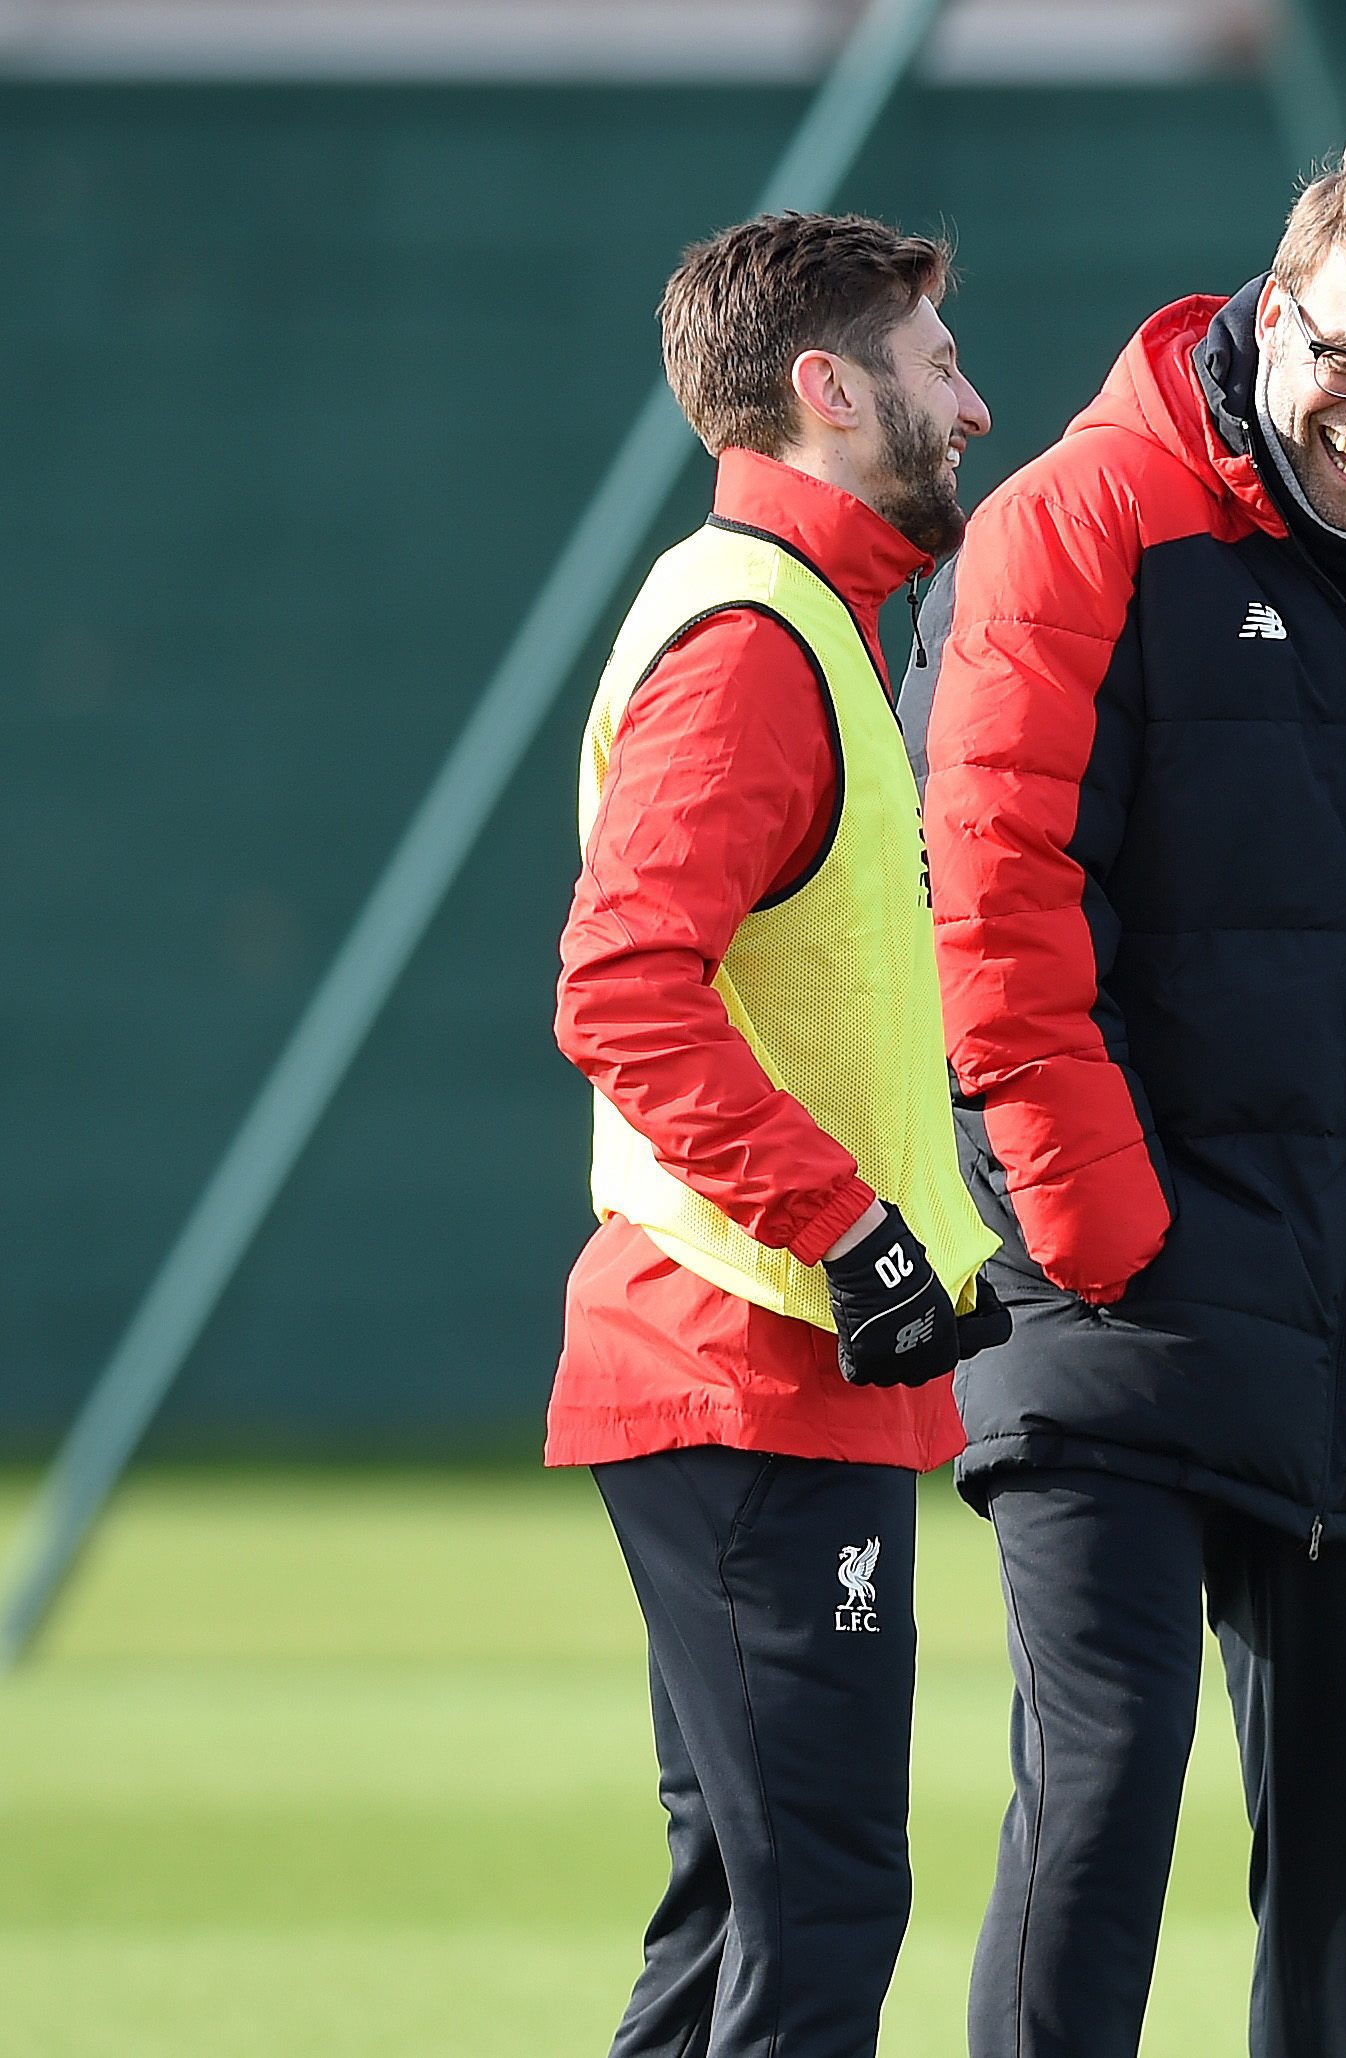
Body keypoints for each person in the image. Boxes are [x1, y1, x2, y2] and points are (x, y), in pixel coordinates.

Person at [922, 113, 1346, 2058]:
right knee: (1106, 1789)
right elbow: (984, 888)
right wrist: (1086, 1214)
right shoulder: (1079, 518)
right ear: (1275, 308)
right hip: (1110, 1289)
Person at [547, 210, 1008, 2058]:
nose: (973, 401)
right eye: (933, 365)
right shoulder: (758, 638)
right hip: (744, 1359)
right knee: (815, 1908)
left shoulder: (798, 617)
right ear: (826, 390)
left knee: (744, 1909)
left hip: (755, 1358)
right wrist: (854, 1233)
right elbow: (621, 985)